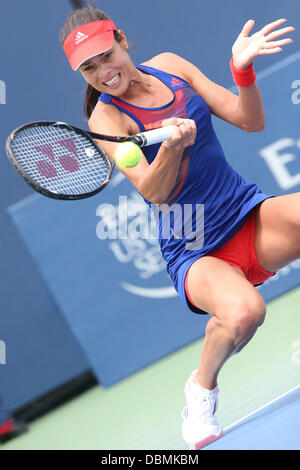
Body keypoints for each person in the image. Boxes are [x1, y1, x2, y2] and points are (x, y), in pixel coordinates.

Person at [61, 5, 296, 449]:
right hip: (195, 250)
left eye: (106, 56)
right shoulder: (106, 121)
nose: (103, 72)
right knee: (246, 313)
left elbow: (251, 121)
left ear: (122, 40)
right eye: (89, 68)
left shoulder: (171, 67)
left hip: (245, 213)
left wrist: (240, 71)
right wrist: (172, 148)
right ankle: (201, 391)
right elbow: (153, 192)